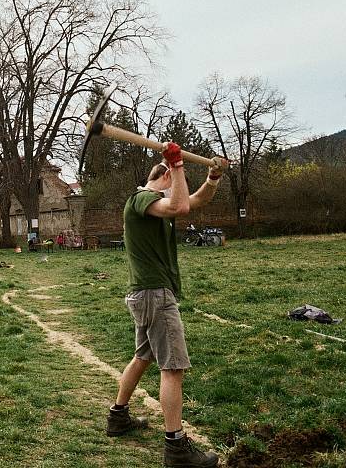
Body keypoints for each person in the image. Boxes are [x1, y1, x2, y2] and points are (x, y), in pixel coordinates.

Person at [107, 142, 225, 467]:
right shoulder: (142, 198)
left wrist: (213, 178)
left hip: (144, 294)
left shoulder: (157, 202)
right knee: (172, 368)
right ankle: (176, 448)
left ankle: (118, 417)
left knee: (142, 356)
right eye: (174, 185)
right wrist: (177, 165)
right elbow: (180, 207)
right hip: (155, 295)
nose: (179, 192)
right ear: (163, 178)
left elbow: (194, 200)